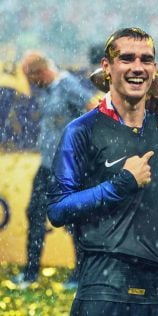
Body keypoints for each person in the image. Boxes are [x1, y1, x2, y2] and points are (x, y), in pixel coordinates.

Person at [47, 27, 158, 315]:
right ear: (107, 67)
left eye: (146, 59)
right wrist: (121, 184)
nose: (137, 67)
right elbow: (57, 209)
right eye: (126, 58)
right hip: (105, 289)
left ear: (155, 69)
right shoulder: (81, 131)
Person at [12, 51, 96, 288]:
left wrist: (79, 150)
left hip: (67, 169)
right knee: (35, 214)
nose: (30, 84)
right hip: (47, 165)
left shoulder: (67, 85)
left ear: (41, 73)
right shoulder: (48, 90)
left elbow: (93, 110)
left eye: (31, 78)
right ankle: (30, 274)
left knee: (72, 221)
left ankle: (80, 275)